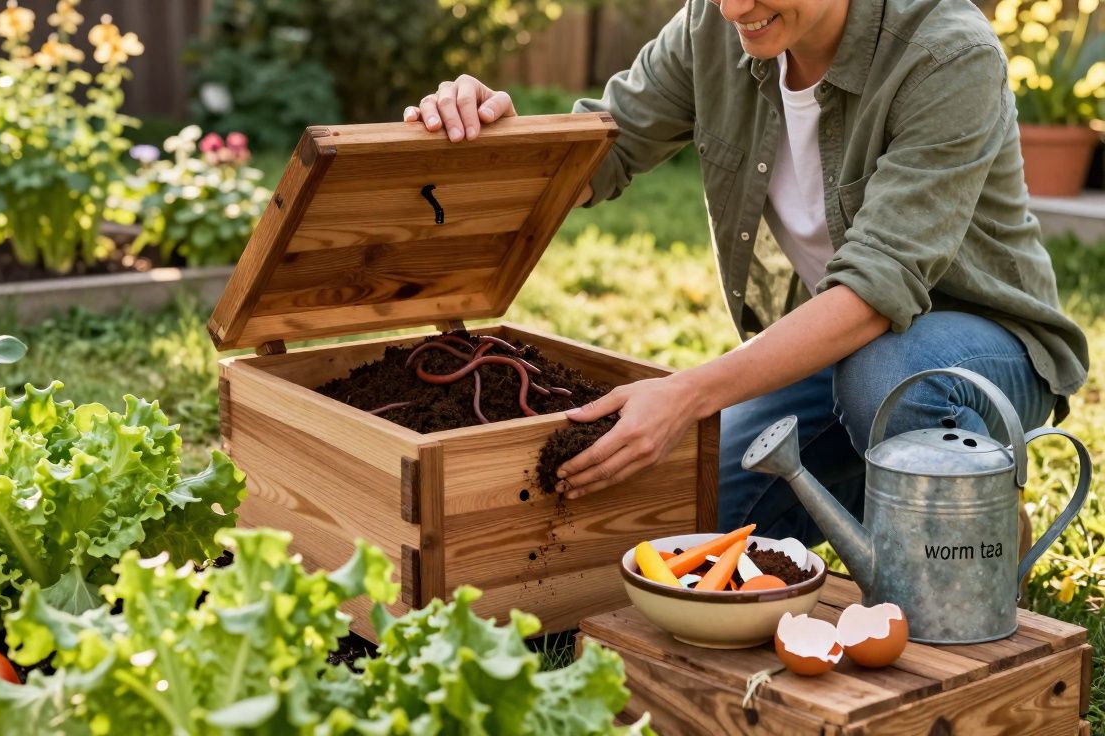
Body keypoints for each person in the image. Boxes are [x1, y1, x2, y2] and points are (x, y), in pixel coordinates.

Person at [404, 0, 1090, 545]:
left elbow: (878, 288)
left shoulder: (947, 52)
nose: (735, 9)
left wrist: (686, 395)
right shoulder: (714, 25)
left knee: (887, 379)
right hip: (832, 353)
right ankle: (900, 490)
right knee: (677, 525)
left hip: (982, 350)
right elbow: (603, 152)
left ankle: (971, 514)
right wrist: (492, 136)